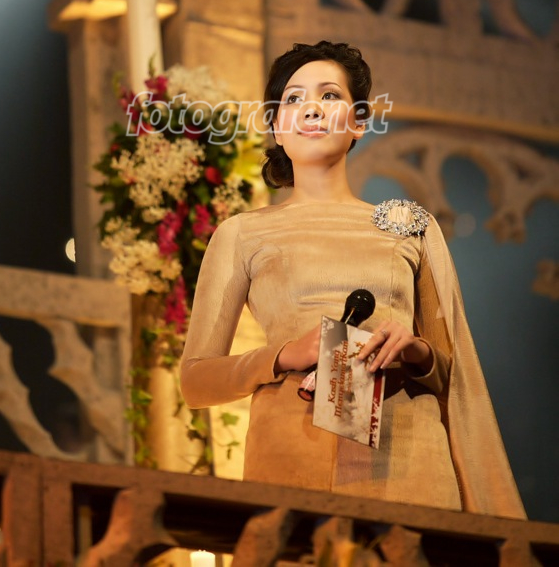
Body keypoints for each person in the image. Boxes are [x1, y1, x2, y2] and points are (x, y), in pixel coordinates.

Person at [180, 41, 525, 518]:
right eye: (294, 99)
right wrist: (283, 355)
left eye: (330, 95)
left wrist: (416, 350)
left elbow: (459, 378)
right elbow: (196, 381)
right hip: (291, 456)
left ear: (359, 121)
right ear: (277, 127)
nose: (312, 109)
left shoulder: (410, 225)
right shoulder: (242, 233)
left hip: (410, 460)